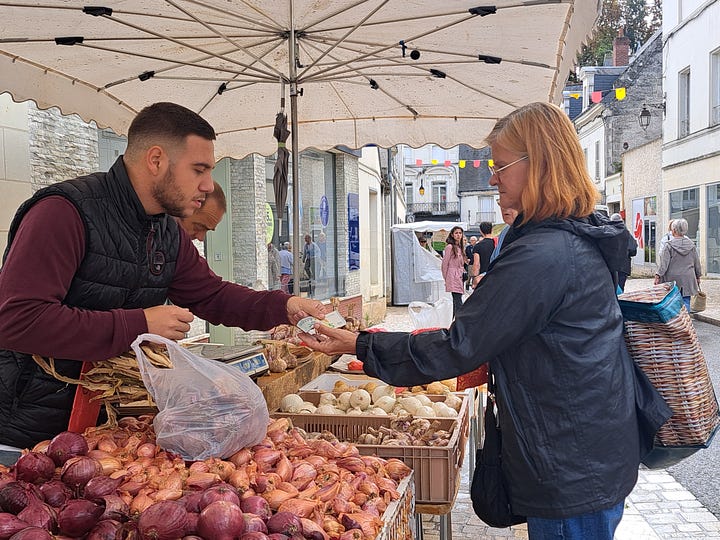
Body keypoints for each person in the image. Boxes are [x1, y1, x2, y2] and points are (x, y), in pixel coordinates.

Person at [300, 102, 669, 540]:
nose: (492, 178)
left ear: (538, 165)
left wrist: (358, 344)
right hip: (587, 451)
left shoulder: (545, 256)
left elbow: (460, 343)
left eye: (500, 166)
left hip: (573, 465)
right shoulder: (568, 238)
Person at [0, 102, 325, 451]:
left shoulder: (166, 231)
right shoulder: (63, 212)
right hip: (21, 433)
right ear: (156, 160)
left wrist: (284, 305)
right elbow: (17, 320)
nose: (207, 185)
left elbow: (212, 296)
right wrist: (139, 323)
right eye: (199, 170)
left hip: (98, 429)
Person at [655, 218, 701, 312]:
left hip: (672, 277)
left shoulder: (668, 245)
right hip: (688, 277)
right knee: (686, 300)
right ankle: (685, 320)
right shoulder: (691, 245)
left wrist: (658, 275)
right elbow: (697, 262)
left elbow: (664, 264)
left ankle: (675, 321)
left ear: (674, 230)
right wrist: (698, 276)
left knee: (672, 300)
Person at [441, 226, 466, 316]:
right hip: (452, 276)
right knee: (457, 300)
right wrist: (446, 278)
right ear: (452, 235)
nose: (458, 235)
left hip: (459, 275)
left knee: (456, 300)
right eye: (456, 233)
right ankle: (460, 319)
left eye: (460, 233)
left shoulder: (460, 247)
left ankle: (455, 320)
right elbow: (444, 264)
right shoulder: (450, 247)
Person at [610, 213, 638, 292]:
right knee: (620, 289)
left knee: (611, 290)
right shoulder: (626, 233)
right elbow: (633, 250)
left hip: (611, 266)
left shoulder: (608, 232)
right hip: (623, 266)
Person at [471, 221, 495, 288]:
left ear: (481, 231)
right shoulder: (497, 244)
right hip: (496, 274)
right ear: (491, 230)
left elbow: (476, 264)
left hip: (483, 276)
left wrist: (475, 279)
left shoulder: (478, 246)